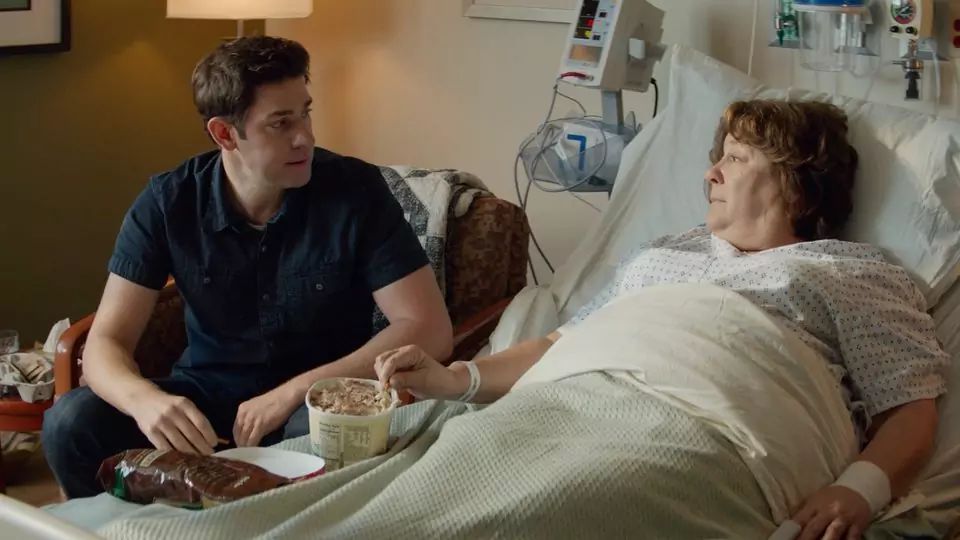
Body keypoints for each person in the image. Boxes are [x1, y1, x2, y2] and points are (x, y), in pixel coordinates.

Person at [374, 100, 950, 540]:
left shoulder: (852, 272)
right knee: (424, 486)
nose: (711, 175)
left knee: (547, 509)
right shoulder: (665, 252)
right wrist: (454, 379)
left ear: (797, 187)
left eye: (735, 158)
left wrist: (859, 490)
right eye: (716, 159)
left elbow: (909, 405)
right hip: (564, 403)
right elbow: (561, 341)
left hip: (696, 431)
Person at [42, 36, 453, 499]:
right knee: (70, 422)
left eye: (305, 113)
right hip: (206, 395)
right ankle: (118, 530)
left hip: (317, 402)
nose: (305, 137)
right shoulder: (167, 202)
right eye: (280, 123)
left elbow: (429, 327)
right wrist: (146, 402)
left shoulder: (357, 191)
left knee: (326, 434)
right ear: (224, 134)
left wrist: (293, 391)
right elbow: (105, 344)